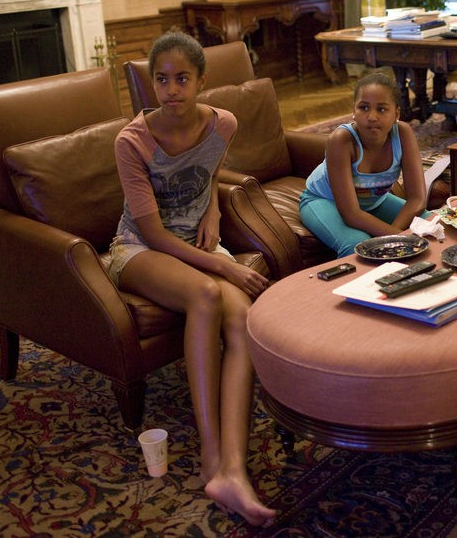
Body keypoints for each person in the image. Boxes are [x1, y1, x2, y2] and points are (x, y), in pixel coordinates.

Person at [107, 31, 276, 526]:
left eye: (182, 78)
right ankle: (209, 455)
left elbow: (209, 178)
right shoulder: (132, 141)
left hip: (199, 244)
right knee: (207, 294)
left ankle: (234, 468)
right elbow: (154, 234)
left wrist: (216, 215)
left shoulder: (224, 124)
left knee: (242, 315)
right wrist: (225, 263)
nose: (172, 89)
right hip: (139, 248)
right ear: (151, 86)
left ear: (202, 80)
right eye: (162, 80)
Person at [299, 71, 428, 257]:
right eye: (364, 108)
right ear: (354, 110)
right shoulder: (341, 140)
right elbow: (351, 213)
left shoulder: (403, 134)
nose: (372, 117)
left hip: (374, 204)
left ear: (396, 113)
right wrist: (398, 237)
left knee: (429, 223)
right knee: (356, 245)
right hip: (324, 201)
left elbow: (417, 199)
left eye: (382, 109)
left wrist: (395, 235)